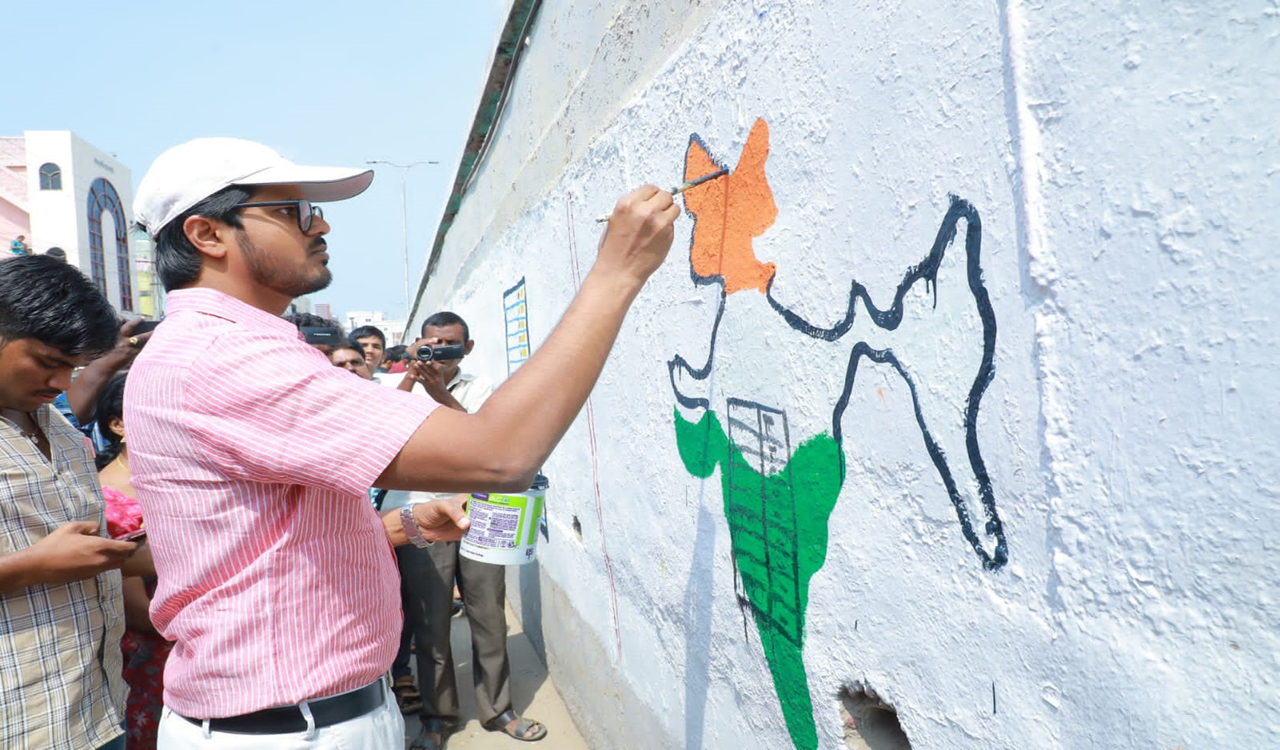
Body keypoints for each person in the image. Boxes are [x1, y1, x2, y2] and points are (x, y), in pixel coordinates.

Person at [127, 136, 676, 748]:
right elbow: (501, 454)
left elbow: (258, 544)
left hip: (304, 718)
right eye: (296, 210)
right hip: (292, 730)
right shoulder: (226, 358)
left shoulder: (223, 349)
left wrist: (404, 523)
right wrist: (617, 271)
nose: (322, 223)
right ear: (207, 234)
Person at [0, 254, 151, 750]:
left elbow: (83, 549)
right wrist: (28, 567)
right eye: (49, 362)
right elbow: (46, 560)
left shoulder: (60, 428)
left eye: (75, 367)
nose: (63, 383)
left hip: (95, 706)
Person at [395, 312, 544, 748]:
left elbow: (485, 441)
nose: (439, 351)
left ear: (468, 348)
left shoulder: (481, 388)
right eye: (432, 342)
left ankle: (498, 711)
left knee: (488, 618)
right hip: (421, 513)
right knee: (430, 624)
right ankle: (437, 717)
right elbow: (381, 429)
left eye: (449, 344)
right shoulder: (397, 386)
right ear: (418, 342)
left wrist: (439, 392)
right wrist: (410, 379)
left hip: (480, 514)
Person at [96, 374, 172, 750]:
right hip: (150, 654)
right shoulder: (107, 499)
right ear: (117, 424)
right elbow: (135, 609)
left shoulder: (173, 479)